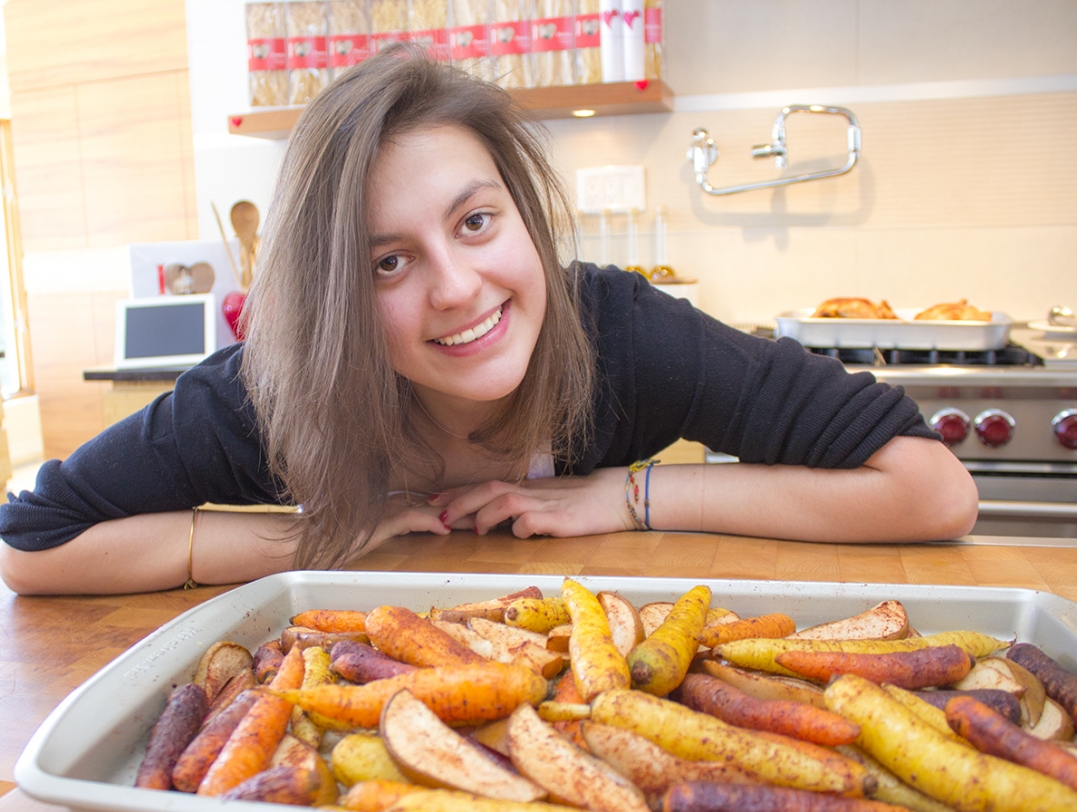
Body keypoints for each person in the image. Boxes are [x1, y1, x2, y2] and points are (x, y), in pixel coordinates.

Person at [0, 47, 978, 596]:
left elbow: (930, 492)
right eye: (389, 261)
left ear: (523, 212)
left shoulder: (622, 334)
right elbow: (32, 547)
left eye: (476, 222)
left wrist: (629, 498)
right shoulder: (266, 389)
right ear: (327, 294)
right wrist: (314, 541)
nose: (460, 287)